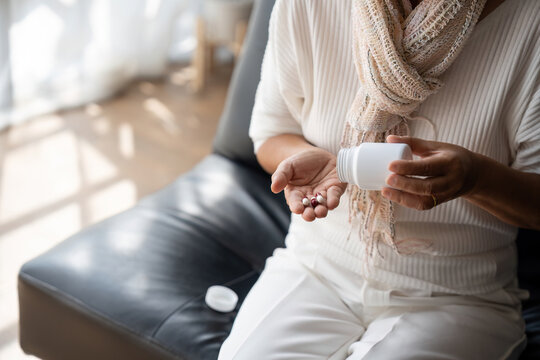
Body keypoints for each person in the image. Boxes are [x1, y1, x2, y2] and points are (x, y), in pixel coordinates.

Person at [218, 0, 540, 358]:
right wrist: (316, 164)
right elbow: (272, 132)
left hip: (457, 296)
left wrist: (477, 179)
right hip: (316, 265)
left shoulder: (530, 25)